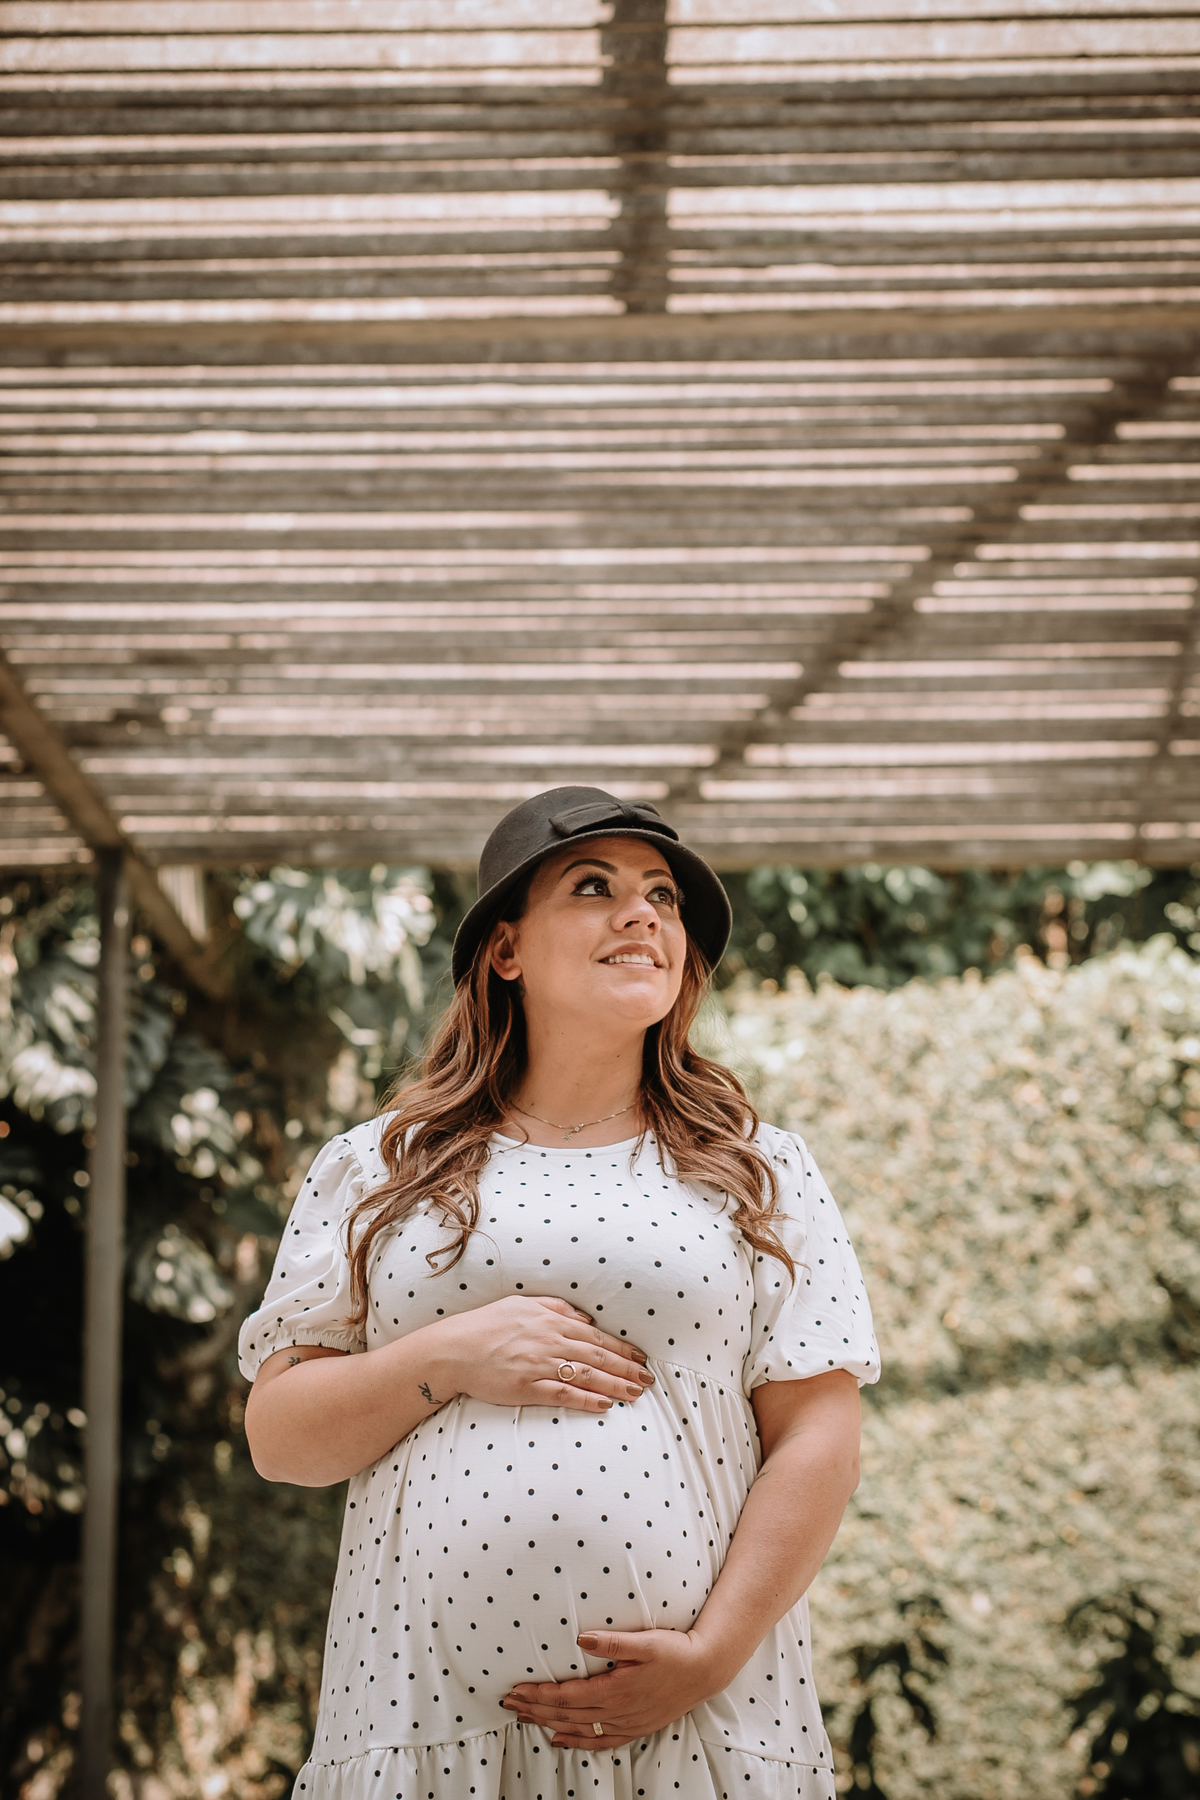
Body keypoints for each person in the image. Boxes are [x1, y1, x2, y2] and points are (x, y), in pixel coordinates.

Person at [239, 786, 880, 1800]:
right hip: (420, 1731)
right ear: (505, 950)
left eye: (662, 897)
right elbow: (281, 1440)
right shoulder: (377, 1166)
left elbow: (822, 1439)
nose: (643, 916)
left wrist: (709, 1657)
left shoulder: (760, 1169)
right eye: (593, 888)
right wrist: (449, 1356)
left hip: (699, 1733)